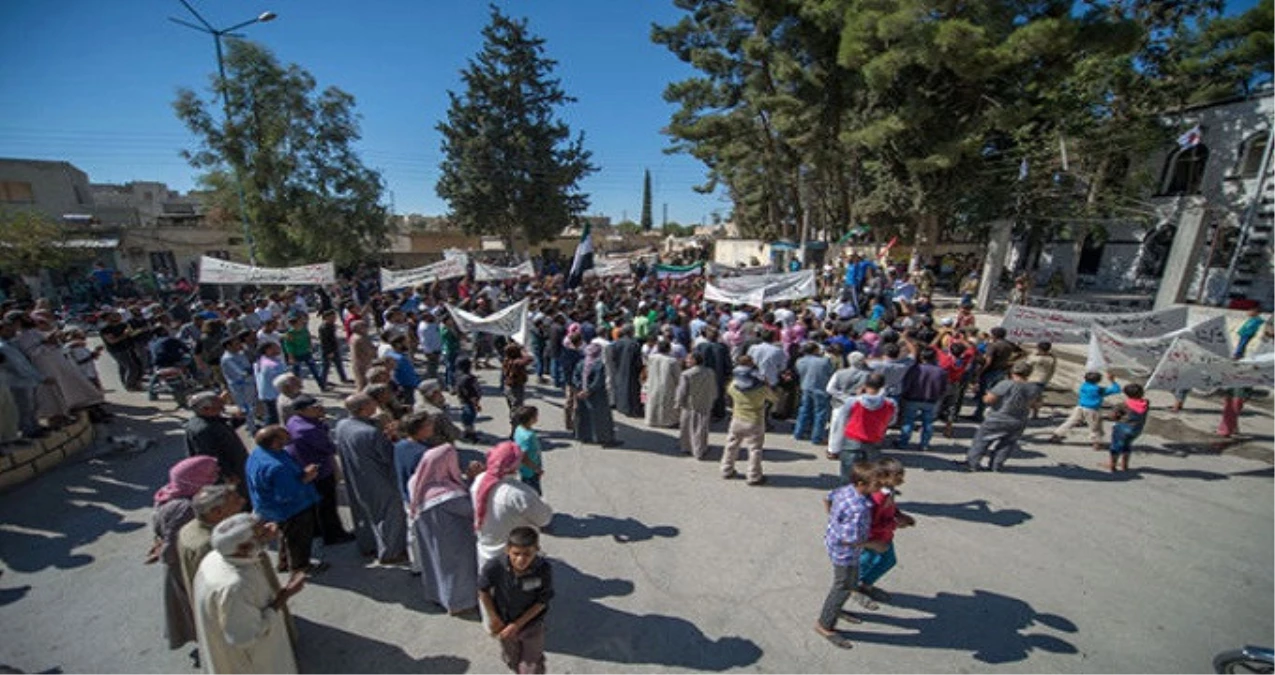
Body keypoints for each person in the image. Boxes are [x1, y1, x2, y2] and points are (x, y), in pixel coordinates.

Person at [193, 513, 305, 675]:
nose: (270, 529)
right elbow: (245, 637)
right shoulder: (234, 587)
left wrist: (263, 537)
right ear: (243, 548)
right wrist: (285, 595)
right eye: (262, 533)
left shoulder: (216, 556)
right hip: (256, 660)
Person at [149, 455, 222, 653]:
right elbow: (174, 542)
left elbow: (160, 529)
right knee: (198, 607)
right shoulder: (186, 508)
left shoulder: (169, 493)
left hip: (181, 561)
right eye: (210, 474)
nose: (215, 476)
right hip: (186, 566)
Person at [334, 393, 409, 564]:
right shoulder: (370, 433)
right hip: (379, 478)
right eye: (371, 404)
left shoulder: (342, 425)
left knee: (365, 512)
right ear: (363, 408)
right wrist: (395, 439)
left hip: (356, 476)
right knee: (390, 514)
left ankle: (368, 545)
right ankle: (391, 552)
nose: (374, 406)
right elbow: (389, 455)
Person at [407, 442, 480, 614]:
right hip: (453, 541)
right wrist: (472, 480)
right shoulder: (447, 493)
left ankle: (436, 596)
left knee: (434, 565)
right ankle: (458, 604)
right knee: (456, 572)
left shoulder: (416, 482)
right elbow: (471, 509)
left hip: (430, 537)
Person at [814, 460, 876, 649]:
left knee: (850, 581)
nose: (879, 487)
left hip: (834, 543)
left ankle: (836, 610)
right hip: (846, 553)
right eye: (876, 484)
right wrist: (874, 544)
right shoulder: (860, 508)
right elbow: (851, 539)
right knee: (843, 585)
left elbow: (827, 498)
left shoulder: (845, 490)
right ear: (861, 484)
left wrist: (834, 520)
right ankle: (824, 625)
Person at [245, 425, 321, 573]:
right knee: (298, 538)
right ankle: (300, 566)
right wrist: (306, 477)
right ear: (275, 442)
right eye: (284, 435)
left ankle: (284, 562)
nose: (289, 435)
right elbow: (287, 494)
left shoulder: (258, 454)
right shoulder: (277, 467)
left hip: (268, 506)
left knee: (286, 535)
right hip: (292, 508)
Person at [479, 526, 553, 675]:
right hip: (504, 623)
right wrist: (493, 618)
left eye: (527, 554)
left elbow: (542, 600)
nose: (521, 559)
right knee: (511, 658)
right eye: (516, 554)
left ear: (537, 549)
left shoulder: (543, 569)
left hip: (532, 624)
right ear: (507, 550)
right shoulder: (494, 566)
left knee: (530, 664)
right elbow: (483, 590)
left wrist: (517, 625)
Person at [472, 442, 554, 572]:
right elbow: (544, 518)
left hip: (485, 552)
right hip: (515, 557)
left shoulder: (479, 480)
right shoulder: (519, 493)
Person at [284, 395, 354, 546]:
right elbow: (328, 447)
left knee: (316, 504)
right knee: (327, 505)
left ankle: (317, 530)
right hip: (319, 471)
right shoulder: (308, 430)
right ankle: (333, 535)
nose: (320, 409)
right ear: (302, 411)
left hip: (306, 468)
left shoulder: (294, 421)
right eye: (314, 408)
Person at [858, 458, 915, 603]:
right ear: (883, 477)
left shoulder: (889, 491)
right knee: (865, 563)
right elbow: (872, 523)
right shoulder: (877, 497)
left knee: (888, 561)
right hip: (873, 538)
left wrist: (899, 514)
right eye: (898, 476)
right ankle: (852, 588)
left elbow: (891, 507)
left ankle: (866, 584)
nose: (902, 480)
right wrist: (895, 523)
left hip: (886, 535)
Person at [965, 361, 1037, 472]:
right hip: (1019, 419)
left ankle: (972, 463)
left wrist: (983, 395)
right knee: (1007, 444)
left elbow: (989, 399)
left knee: (982, 440)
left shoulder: (1006, 384)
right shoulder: (1033, 388)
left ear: (1013, 371)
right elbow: (1035, 404)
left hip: (999, 417)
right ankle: (996, 466)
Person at [827, 373, 896, 482]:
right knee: (869, 477)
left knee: (847, 476)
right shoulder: (890, 403)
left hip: (852, 440)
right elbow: (892, 421)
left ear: (865, 385)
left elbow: (841, 421)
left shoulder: (853, 401)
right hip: (874, 441)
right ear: (883, 386)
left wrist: (835, 446)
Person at [722, 357, 779, 486]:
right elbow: (774, 399)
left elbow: (728, 391)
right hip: (755, 420)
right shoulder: (761, 388)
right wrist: (767, 384)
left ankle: (726, 469)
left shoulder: (733, 386)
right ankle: (754, 476)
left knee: (731, 445)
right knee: (755, 449)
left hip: (737, 418)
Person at [184, 392, 251, 502]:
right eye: (219, 407)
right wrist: (228, 475)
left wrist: (238, 419)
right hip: (230, 473)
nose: (222, 409)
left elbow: (223, 426)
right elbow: (211, 457)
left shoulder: (209, 419)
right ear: (205, 409)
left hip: (235, 467)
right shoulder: (202, 430)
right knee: (238, 498)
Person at [1049, 371, 1120, 450]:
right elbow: (1116, 390)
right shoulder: (1099, 389)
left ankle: (1056, 435)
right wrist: (1112, 380)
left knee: (1070, 422)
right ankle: (1097, 443)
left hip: (1080, 407)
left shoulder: (1083, 386)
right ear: (1098, 381)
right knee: (1096, 428)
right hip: (1092, 410)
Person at [896, 347, 946, 451]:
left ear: (922, 357)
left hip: (912, 398)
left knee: (908, 421)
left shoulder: (915, 369)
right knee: (928, 423)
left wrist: (904, 394)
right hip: (931, 399)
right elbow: (943, 387)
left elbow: (907, 384)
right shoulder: (941, 371)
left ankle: (903, 442)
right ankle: (924, 444)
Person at [971, 327, 1021, 421]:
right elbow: (1021, 352)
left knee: (984, 393)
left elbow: (988, 361)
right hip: (1001, 371)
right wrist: (1010, 362)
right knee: (996, 394)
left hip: (990, 371)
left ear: (994, 335)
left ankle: (979, 415)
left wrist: (980, 371)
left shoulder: (993, 346)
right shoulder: (1008, 345)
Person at [573, 342, 618, 447]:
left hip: (581, 394)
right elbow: (598, 381)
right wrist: (589, 390)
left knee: (584, 416)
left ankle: (584, 436)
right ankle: (603, 438)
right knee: (601, 418)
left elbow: (575, 377)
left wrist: (581, 389)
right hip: (596, 395)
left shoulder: (581, 363)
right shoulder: (598, 364)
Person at [676, 352, 717, 459]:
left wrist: (678, 403)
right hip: (705, 403)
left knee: (687, 426)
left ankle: (687, 447)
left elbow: (682, 391)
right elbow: (713, 388)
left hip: (690, 405)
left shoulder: (686, 374)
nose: (686, 361)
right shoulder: (710, 372)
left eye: (689, 359)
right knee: (701, 428)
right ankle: (700, 448)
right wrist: (712, 399)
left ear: (694, 360)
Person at [793, 342, 835, 446]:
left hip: (806, 387)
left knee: (804, 411)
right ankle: (817, 437)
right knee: (820, 414)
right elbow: (831, 372)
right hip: (820, 388)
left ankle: (798, 432)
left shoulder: (800, 361)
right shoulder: (825, 361)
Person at [1104, 383, 1149, 472]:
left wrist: (1110, 416)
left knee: (1115, 447)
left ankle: (1112, 465)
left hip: (1122, 428)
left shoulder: (1122, 405)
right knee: (1127, 445)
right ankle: (1125, 465)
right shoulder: (1146, 403)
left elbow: (1113, 416)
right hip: (1137, 429)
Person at [220, 336, 259, 434]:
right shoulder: (227, 359)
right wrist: (253, 369)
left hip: (249, 384)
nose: (239, 345)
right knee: (246, 408)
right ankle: (252, 429)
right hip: (240, 387)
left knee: (252, 405)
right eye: (236, 344)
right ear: (228, 346)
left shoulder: (240, 353)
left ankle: (250, 423)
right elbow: (241, 372)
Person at [644, 340, 682, 428]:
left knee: (652, 402)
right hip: (667, 385)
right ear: (669, 349)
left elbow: (647, 370)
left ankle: (651, 420)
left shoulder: (651, 358)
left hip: (653, 383)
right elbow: (678, 376)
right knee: (666, 405)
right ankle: (666, 422)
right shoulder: (672, 361)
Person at [282, 314, 327, 390]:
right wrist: (291, 357)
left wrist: (310, 346)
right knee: (297, 374)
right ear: (294, 324)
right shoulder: (289, 334)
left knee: (314, 370)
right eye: (298, 322)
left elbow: (308, 337)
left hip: (306, 353)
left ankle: (322, 386)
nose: (300, 323)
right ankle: (297, 389)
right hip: (296, 355)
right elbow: (288, 347)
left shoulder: (304, 329)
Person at [414, 379, 463, 446]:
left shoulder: (416, 406)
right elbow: (453, 433)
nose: (441, 393)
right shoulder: (437, 413)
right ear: (434, 393)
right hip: (439, 446)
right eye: (439, 391)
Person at [608, 326, 644, 417]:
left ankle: (621, 407)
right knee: (632, 390)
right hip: (631, 371)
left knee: (620, 388)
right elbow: (638, 361)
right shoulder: (634, 344)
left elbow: (612, 358)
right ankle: (632, 409)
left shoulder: (615, 344)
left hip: (619, 370)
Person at [512, 406, 545, 495]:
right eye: (536, 416)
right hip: (530, 471)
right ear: (530, 419)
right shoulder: (527, 436)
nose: (537, 418)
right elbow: (524, 457)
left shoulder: (519, 428)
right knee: (534, 494)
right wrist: (536, 469)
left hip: (527, 469)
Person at [255, 343, 289, 426]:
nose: (279, 349)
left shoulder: (263, 360)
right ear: (268, 350)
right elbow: (283, 377)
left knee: (273, 415)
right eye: (276, 348)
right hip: (272, 395)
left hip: (268, 394)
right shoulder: (269, 364)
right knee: (273, 417)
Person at [1023, 342, 1057, 419]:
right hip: (1043, 380)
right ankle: (1035, 414)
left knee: (1029, 397)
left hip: (1033, 379)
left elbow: (1027, 362)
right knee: (1038, 397)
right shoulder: (1052, 359)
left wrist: (1033, 353)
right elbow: (1053, 370)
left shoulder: (1036, 358)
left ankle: (1025, 413)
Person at [317, 309, 350, 385]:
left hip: (334, 348)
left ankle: (343, 378)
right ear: (327, 317)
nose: (335, 318)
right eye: (333, 317)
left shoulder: (331, 325)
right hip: (327, 350)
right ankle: (322, 382)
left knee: (339, 364)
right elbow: (324, 341)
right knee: (326, 367)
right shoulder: (324, 327)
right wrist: (329, 352)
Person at [455, 357, 482, 442]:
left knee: (465, 418)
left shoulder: (458, 376)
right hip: (469, 402)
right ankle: (472, 436)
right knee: (470, 419)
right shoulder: (469, 378)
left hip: (462, 400)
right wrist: (476, 404)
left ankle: (467, 433)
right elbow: (471, 394)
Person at [349, 320, 377, 390]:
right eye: (363, 326)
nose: (366, 327)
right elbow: (369, 351)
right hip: (364, 365)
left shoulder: (354, 336)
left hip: (359, 364)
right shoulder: (360, 338)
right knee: (364, 385)